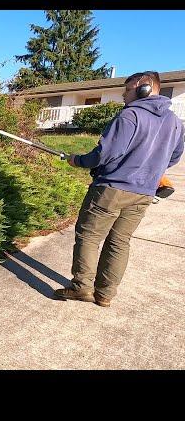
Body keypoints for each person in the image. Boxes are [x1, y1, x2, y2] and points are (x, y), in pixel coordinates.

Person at [54, 71, 184, 307]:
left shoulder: (130, 116)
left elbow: (104, 154)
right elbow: (174, 156)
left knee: (89, 236)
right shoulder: (175, 122)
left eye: (126, 90)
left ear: (141, 87)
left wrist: (78, 161)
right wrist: (150, 170)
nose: (124, 96)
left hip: (111, 189)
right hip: (143, 194)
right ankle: (105, 294)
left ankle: (81, 288)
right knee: (119, 241)